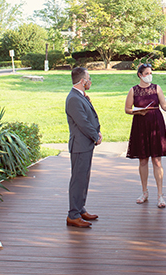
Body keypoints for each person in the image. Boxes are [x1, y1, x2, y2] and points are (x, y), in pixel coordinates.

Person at [125, 63, 166, 208]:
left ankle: (160, 195)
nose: (149, 75)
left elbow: (164, 105)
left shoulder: (156, 88)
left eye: (150, 73)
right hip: (140, 125)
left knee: (157, 161)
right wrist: (137, 112)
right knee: (142, 161)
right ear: (140, 75)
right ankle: (144, 192)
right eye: (146, 73)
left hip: (155, 124)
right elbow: (127, 109)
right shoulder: (133, 91)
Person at [65, 67, 102, 228]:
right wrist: (95, 136)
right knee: (78, 180)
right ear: (82, 81)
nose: (90, 81)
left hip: (86, 145)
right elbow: (83, 123)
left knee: (84, 178)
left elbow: (89, 117)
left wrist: (97, 133)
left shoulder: (80, 96)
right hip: (80, 145)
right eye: (88, 78)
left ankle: (80, 209)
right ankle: (73, 215)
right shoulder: (73, 99)